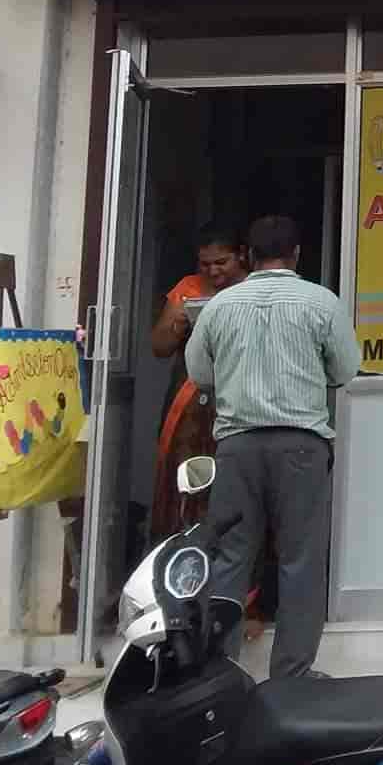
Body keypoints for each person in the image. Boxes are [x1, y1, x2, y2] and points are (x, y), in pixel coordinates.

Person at [186, 214, 361, 679]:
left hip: (237, 446)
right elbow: (345, 370)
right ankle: (293, 674)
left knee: (231, 556)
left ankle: (219, 671)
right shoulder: (320, 302)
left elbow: (199, 373)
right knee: (300, 560)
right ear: (297, 254)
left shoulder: (220, 306)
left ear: (248, 255)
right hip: (300, 445)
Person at [148, 225, 248, 540]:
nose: (213, 271)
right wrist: (177, 325)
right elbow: (159, 347)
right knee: (183, 471)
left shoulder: (254, 288)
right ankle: (181, 541)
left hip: (240, 395)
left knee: (234, 475)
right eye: (205, 264)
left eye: (221, 262)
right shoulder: (188, 288)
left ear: (241, 256)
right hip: (190, 399)